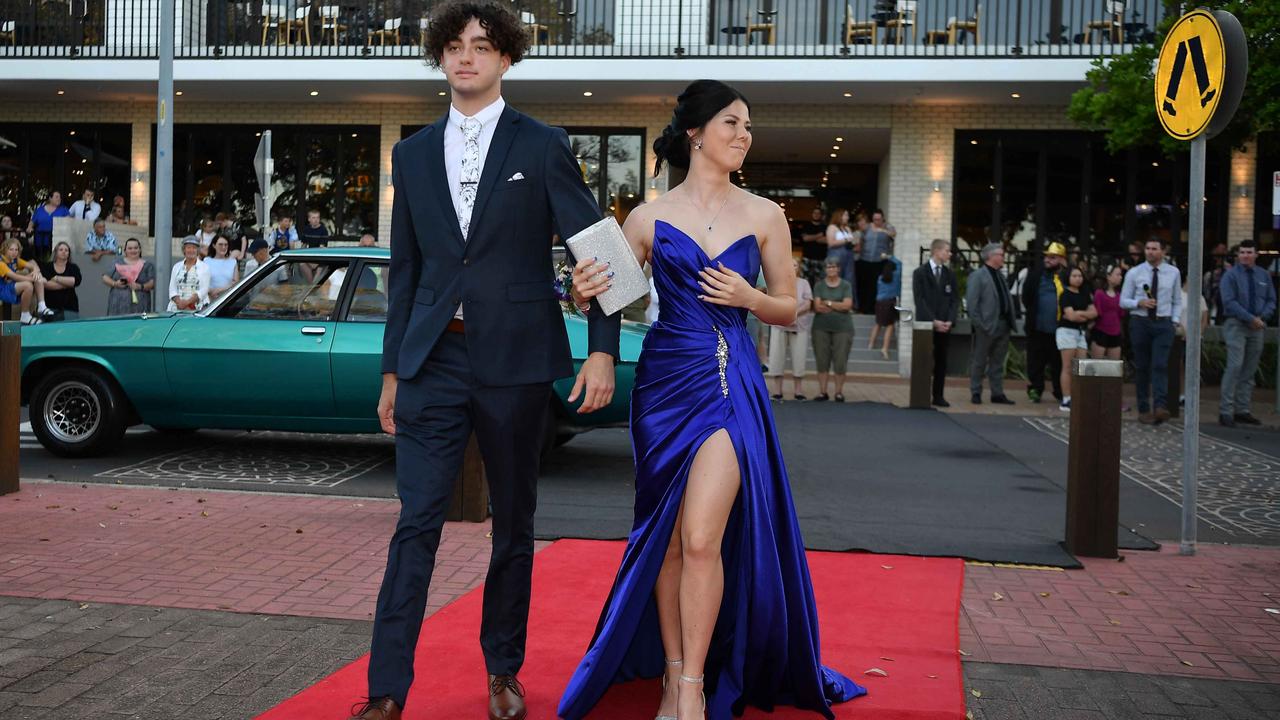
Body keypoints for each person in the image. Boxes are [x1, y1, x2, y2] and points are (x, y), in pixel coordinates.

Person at [350, 4, 621, 720]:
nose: (466, 57)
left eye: (482, 46)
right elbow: (404, 271)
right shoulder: (410, 154)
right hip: (432, 360)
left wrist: (600, 348)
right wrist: (391, 369)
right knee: (416, 521)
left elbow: (600, 251)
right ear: (440, 57)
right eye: (454, 46)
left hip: (518, 362)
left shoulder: (543, 144)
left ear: (506, 59)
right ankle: (385, 689)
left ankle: (503, 669)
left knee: (514, 524)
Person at [562, 78, 863, 720]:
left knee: (702, 538)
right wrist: (579, 290)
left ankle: (695, 685)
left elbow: (789, 305)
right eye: (732, 123)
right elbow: (613, 298)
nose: (743, 135)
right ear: (696, 133)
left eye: (748, 126)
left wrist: (750, 300)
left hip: (730, 382)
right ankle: (673, 674)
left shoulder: (765, 215)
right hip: (663, 385)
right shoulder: (645, 217)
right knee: (668, 540)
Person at [1119, 237, 1182, 425]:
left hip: (1163, 323)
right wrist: (1139, 302)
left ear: (1163, 251)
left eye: (1154, 248)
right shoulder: (1134, 273)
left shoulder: (1173, 272)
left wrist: (1175, 320)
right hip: (1141, 322)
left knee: (1160, 365)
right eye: (1147, 248)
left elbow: (1177, 300)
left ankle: (1161, 406)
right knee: (1143, 366)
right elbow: (1123, 300)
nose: (1150, 252)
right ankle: (1144, 408)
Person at [1217, 240, 1276, 427]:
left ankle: (1242, 410)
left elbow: (1271, 300)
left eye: (1249, 252)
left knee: (1249, 369)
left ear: (1256, 254)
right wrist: (1250, 318)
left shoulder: (1263, 275)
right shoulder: (1230, 275)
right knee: (1235, 366)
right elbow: (1229, 302)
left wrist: (1262, 317)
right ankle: (1225, 411)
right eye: (1242, 252)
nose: (1245, 255)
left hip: (1257, 326)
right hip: (1236, 324)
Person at [964, 242, 1015, 405]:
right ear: (991, 256)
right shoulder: (978, 276)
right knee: (979, 360)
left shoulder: (1000, 275)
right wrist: (981, 324)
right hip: (986, 326)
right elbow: (972, 304)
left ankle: (997, 393)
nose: (1003, 257)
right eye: (1000, 254)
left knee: (998, 362)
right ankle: (976, 392)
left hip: (1003, 325)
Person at [912, 238, 958, 407]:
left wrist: (949, 321)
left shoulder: (949, 274)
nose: (949, 254)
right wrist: (933, 321)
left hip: (944, 327)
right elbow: (920, 299)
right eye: (947, 250)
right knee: (924, 359)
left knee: (941, 361)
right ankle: (921, 394)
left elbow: (954, 300)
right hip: (926, 326)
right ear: (937, 251)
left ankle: (938, 395)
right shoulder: (920, 273)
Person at [1021, 242, 1068, 404]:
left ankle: (1060, 391)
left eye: (1052, 257)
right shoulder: (1036, 275)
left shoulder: (1068, 276)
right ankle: (1035, 389)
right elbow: (1026, 296)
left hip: (1060, 330)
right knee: (1035, 361)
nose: (1047, 260)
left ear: (1062, 260)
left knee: (1059, 363)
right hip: (1037, 328)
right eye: (1046, 256)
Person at [767, 257, 813, 401]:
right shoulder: (777, 282)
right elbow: (771, 301)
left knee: (799, 357)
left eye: (795, 265)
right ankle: (777, 391)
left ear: (798, 268)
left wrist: (793, 314)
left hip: (799, 325)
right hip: (779, 324)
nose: (793, 267)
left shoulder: (804, 283)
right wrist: (785, 316)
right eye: (790, 264)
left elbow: (808, 303)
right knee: (776, 356)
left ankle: (798, 391)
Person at [811, 256, 855, 402]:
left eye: (834, 267)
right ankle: (823, 392)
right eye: (828, 267)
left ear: (838, 269)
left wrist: (828, 302)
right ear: (825, 270)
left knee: (840, 360)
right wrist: (838, 305)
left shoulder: (846, 286)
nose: (831, 269)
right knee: (822, 360)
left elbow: (847, 305)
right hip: (821, 327)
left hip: (843, 328)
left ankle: (838, 392)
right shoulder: (819, 286)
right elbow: (817, 307)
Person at [1056, 267, 1096, 412]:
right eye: (1074, 276)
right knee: (1067, 366)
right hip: (1066, 331)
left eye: (1080, 275)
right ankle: (1067, 398)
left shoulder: (1084, 294)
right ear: (1068, 277)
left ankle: (1078, 396)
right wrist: (1083, 315)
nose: (1078, 278)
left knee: (1081, 366)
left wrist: (1079, 313)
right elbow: (1070, 316)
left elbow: (1094, 313)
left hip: (1080, 332)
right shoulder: (1065, 295)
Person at [1, 238, 56, 324]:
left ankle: (41, 305)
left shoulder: (15, 260)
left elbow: (33, 266)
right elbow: (15, 277)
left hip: (10, 286)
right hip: (2, 288)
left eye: (16, 250)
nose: (14, 252)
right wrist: (33, 278)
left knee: (37, 277)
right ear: (5, 249)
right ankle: (25, 315)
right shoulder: (1, 262)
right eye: (11, 249)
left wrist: (36, 272)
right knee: (28, 285)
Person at [104, 238, 156, 315]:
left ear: (140, 250)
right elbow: (105, 277)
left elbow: (152, 283)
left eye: (136, 248)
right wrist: (115, 283)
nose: (133, 250)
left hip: (140, 306)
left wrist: (140, 286)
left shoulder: (148, 265)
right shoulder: (117, 262)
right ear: (125, 250)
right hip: (117, 306)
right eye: (130, 248)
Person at [856, 209, 894, 314]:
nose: (876, 222)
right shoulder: (867, 227)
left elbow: (894, 234)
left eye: (878, 219)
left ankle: (874, 309)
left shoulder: (887, 226)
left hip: (879, 262)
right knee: (864, 285)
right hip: (865, 260)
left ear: (882, 219)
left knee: (876, 286)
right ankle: (863, 308)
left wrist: (882, 230)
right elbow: (861, 240)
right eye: (874, 219)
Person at [868, 253, 901, 361]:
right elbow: (900, 264)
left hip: (879, 302)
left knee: (878, 323)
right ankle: (884, 348)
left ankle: (871, 344)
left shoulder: (880, 278)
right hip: (889, 302)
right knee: (890, 326)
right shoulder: (896, 275)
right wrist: (889, 256)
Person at [40, 241, 82, 320]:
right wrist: (66, 284)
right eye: (61, 250)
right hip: (50, 307)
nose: (64, 252)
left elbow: (75, 281)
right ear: (56, 252)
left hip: (70, 308)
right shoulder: (47, 267)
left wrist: (56, 278)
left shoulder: (73, 267)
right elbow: (45, 284)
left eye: (66, 250)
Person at [1090, 265, 1125, 360]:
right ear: (1108, 276)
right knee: (1097, 366)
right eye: (1117, 274)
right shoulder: (1099, 293)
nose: (1120, 277)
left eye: (1121, 275)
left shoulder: (1120, 295)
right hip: (1101, 332)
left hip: (1115, 332)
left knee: (1113, 368)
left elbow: (1121, 314)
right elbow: (1097, 313)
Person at [168, 237, 211, 311]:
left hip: (198, 307)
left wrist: (187, 303)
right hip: (177, 307)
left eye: (194, 248)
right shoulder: (177, 266)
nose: (191, 250)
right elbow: (172, 289)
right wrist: (180, 303)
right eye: (188, 248)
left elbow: (204, 290)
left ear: (197, 250)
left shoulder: (205, 267)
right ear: (184, 250)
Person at [26, 191, 68, 261]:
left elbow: (69, 221)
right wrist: (29, 227)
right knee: (40, 257)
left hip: (56, 238)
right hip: (40, 238)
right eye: (56, 197)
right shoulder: (40, 210)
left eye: (60, 197)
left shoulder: (63, 210)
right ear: (50, 198)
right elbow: (32, 221)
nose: (59, 199)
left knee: (53, 257)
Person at [203, 235, 240, 301]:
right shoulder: (206, 261)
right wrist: (210, 291)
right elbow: (202, 280)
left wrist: (220, 290)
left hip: (227, 299)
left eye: (226, 245)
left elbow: (236, 282)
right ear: (214, 245)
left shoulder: (233, 262)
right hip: (209, 298)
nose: (223, 247)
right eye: (220, 244)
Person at [798, 206, 827, 287]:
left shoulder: (825, 227)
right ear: (812, 214)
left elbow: (826, 240)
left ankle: (817, 299)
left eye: (818, 213)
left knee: (819, 282)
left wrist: (812, 237)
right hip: (807, 257)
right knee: (805, 280)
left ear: (821, 215)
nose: (816, 215)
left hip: (820, 258)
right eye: (815, 213)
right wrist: (819, 235)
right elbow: (805, 238)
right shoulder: (807, 225)